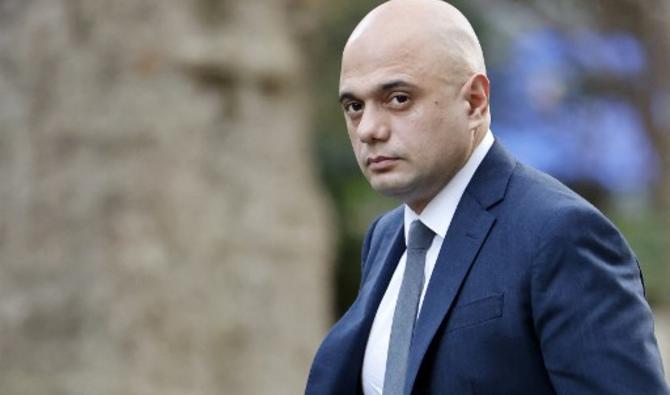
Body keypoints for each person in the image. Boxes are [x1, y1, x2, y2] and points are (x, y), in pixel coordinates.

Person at [305, 0, 670, 394]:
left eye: (398, 98)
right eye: (354, 106)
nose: (369, 130)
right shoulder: (387, 236)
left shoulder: (561, 235)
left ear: (475, 101)